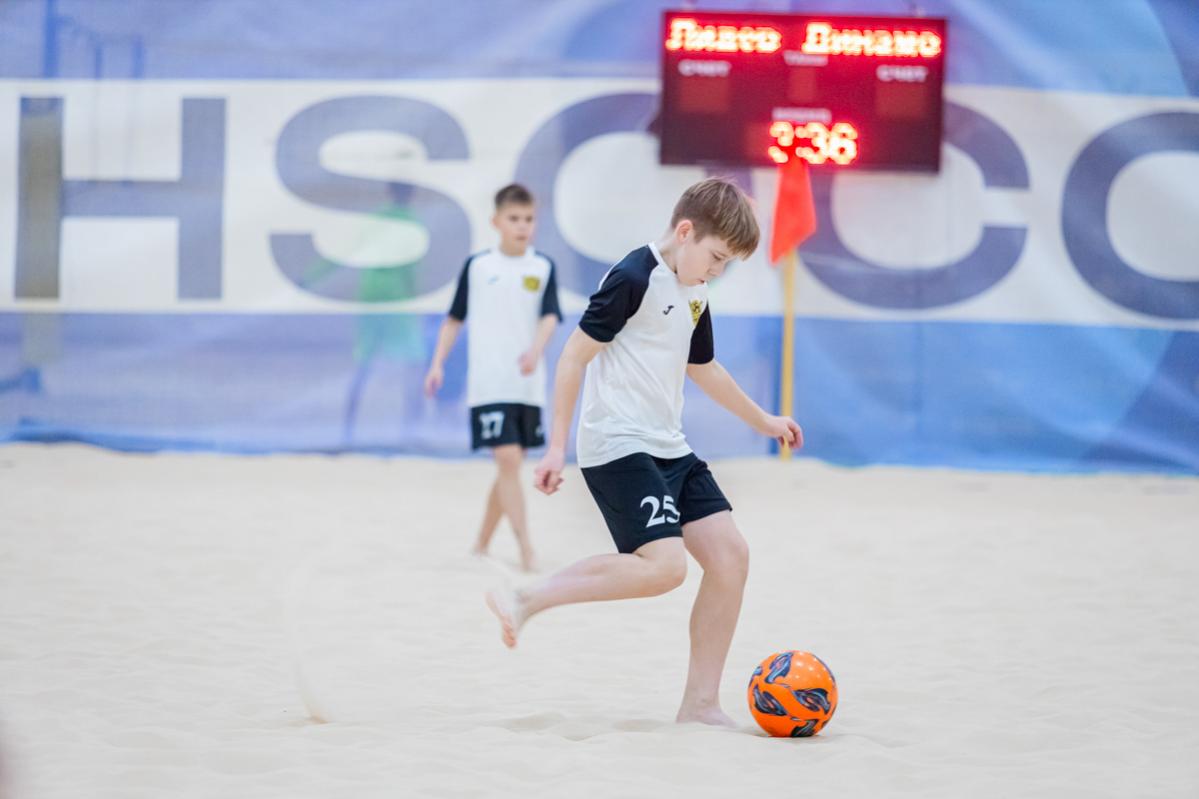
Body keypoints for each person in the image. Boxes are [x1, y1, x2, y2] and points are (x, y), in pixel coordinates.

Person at [485, 177, 803, 727]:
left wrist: (765, 421)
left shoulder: (695, 288)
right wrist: (556, 447)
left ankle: (699, 706)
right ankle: (527, 598)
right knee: (665, 568)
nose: (717, 271)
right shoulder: (633, 277)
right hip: (616, 444)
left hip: (668, 445)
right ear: (686, 232)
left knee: (731, 557)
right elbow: (573, 358)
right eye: (717, 257)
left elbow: (704, 367)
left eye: (726, 264)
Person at [424, 184, 561, 572]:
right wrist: (437, 364)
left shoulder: (543, 267)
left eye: (529, 219)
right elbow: (454, 319)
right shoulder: (478, 266)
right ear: (496, 222)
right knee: (507, 459)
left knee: (509, 468)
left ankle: (481, 544)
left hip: (527, 386)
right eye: (514, 219)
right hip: (489, 384)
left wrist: (536, 349)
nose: (522, 226)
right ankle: (526, 549)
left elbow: (550, 316)